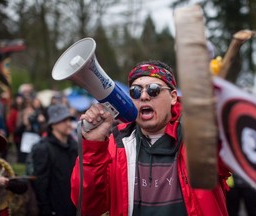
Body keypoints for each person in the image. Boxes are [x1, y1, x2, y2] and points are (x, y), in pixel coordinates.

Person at [70, 60, 231, 215]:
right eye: (136, 91)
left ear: (173, 97)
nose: (144, 96)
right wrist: (93, 148)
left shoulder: (199, 137)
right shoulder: (115, 144)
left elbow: (235, 154)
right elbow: (88, 207)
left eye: (153, 89)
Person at [31, 104, 78, 216]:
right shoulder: (43, 148)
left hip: (74, 208)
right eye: (63, 120)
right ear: (53, 124)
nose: (68, 124)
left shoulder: (75, 146)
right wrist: (47, 210)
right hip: (54, 209)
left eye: (69, 120)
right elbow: (41, 185)